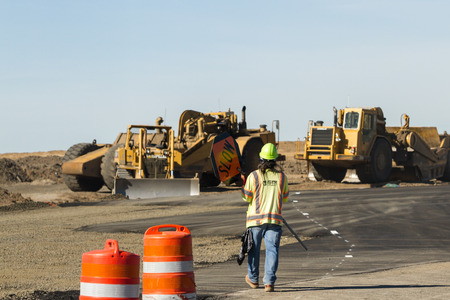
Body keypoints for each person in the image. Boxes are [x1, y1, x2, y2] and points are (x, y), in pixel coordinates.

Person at [241, 143, 289, 292]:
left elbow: (246, 198)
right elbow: (285, 198)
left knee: (254, 250)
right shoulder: (282, 177)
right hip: (274, 221)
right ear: (275, 159)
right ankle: (269, 282)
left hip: (255, 221)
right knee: (272, 251)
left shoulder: (254, 176)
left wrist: (243, 183)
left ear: (261, 158)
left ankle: (253, 279)